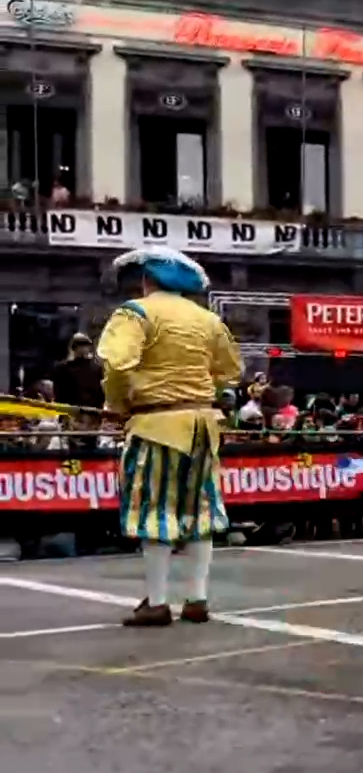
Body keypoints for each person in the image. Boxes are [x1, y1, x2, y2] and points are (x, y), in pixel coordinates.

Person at [97, 247, 243, 627]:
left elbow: (117, 365)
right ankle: (197, 599)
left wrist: (117, 404)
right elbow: (230, 371)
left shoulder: (135, 312)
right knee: (200, 509)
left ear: (147, 280)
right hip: (203, 424)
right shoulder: (208, 319)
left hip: (156, 423)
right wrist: (202, 392)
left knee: (154, 510)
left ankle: (158, 602)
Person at [51, 332, 105, 410]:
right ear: (74, 348)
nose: (84, 349)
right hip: (71, 410)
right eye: (81, 346)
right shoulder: (63, 369)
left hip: (93, 410)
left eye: (85, 346)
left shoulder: (96, 368)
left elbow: (100, 392)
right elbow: (59, 394)